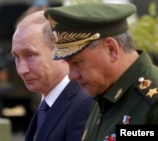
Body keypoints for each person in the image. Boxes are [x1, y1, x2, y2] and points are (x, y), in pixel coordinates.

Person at [43, 2, 158, 141]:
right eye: (68, 63)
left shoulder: (152, 101)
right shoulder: (103, 95)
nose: (71, 75)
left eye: (77, 62)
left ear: (111, 49)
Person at [11, 11, 93, 141]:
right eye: (16, 57)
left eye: (30, 55)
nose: (22, 70)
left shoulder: (84, 104)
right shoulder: (48, 103)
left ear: (61, 52)